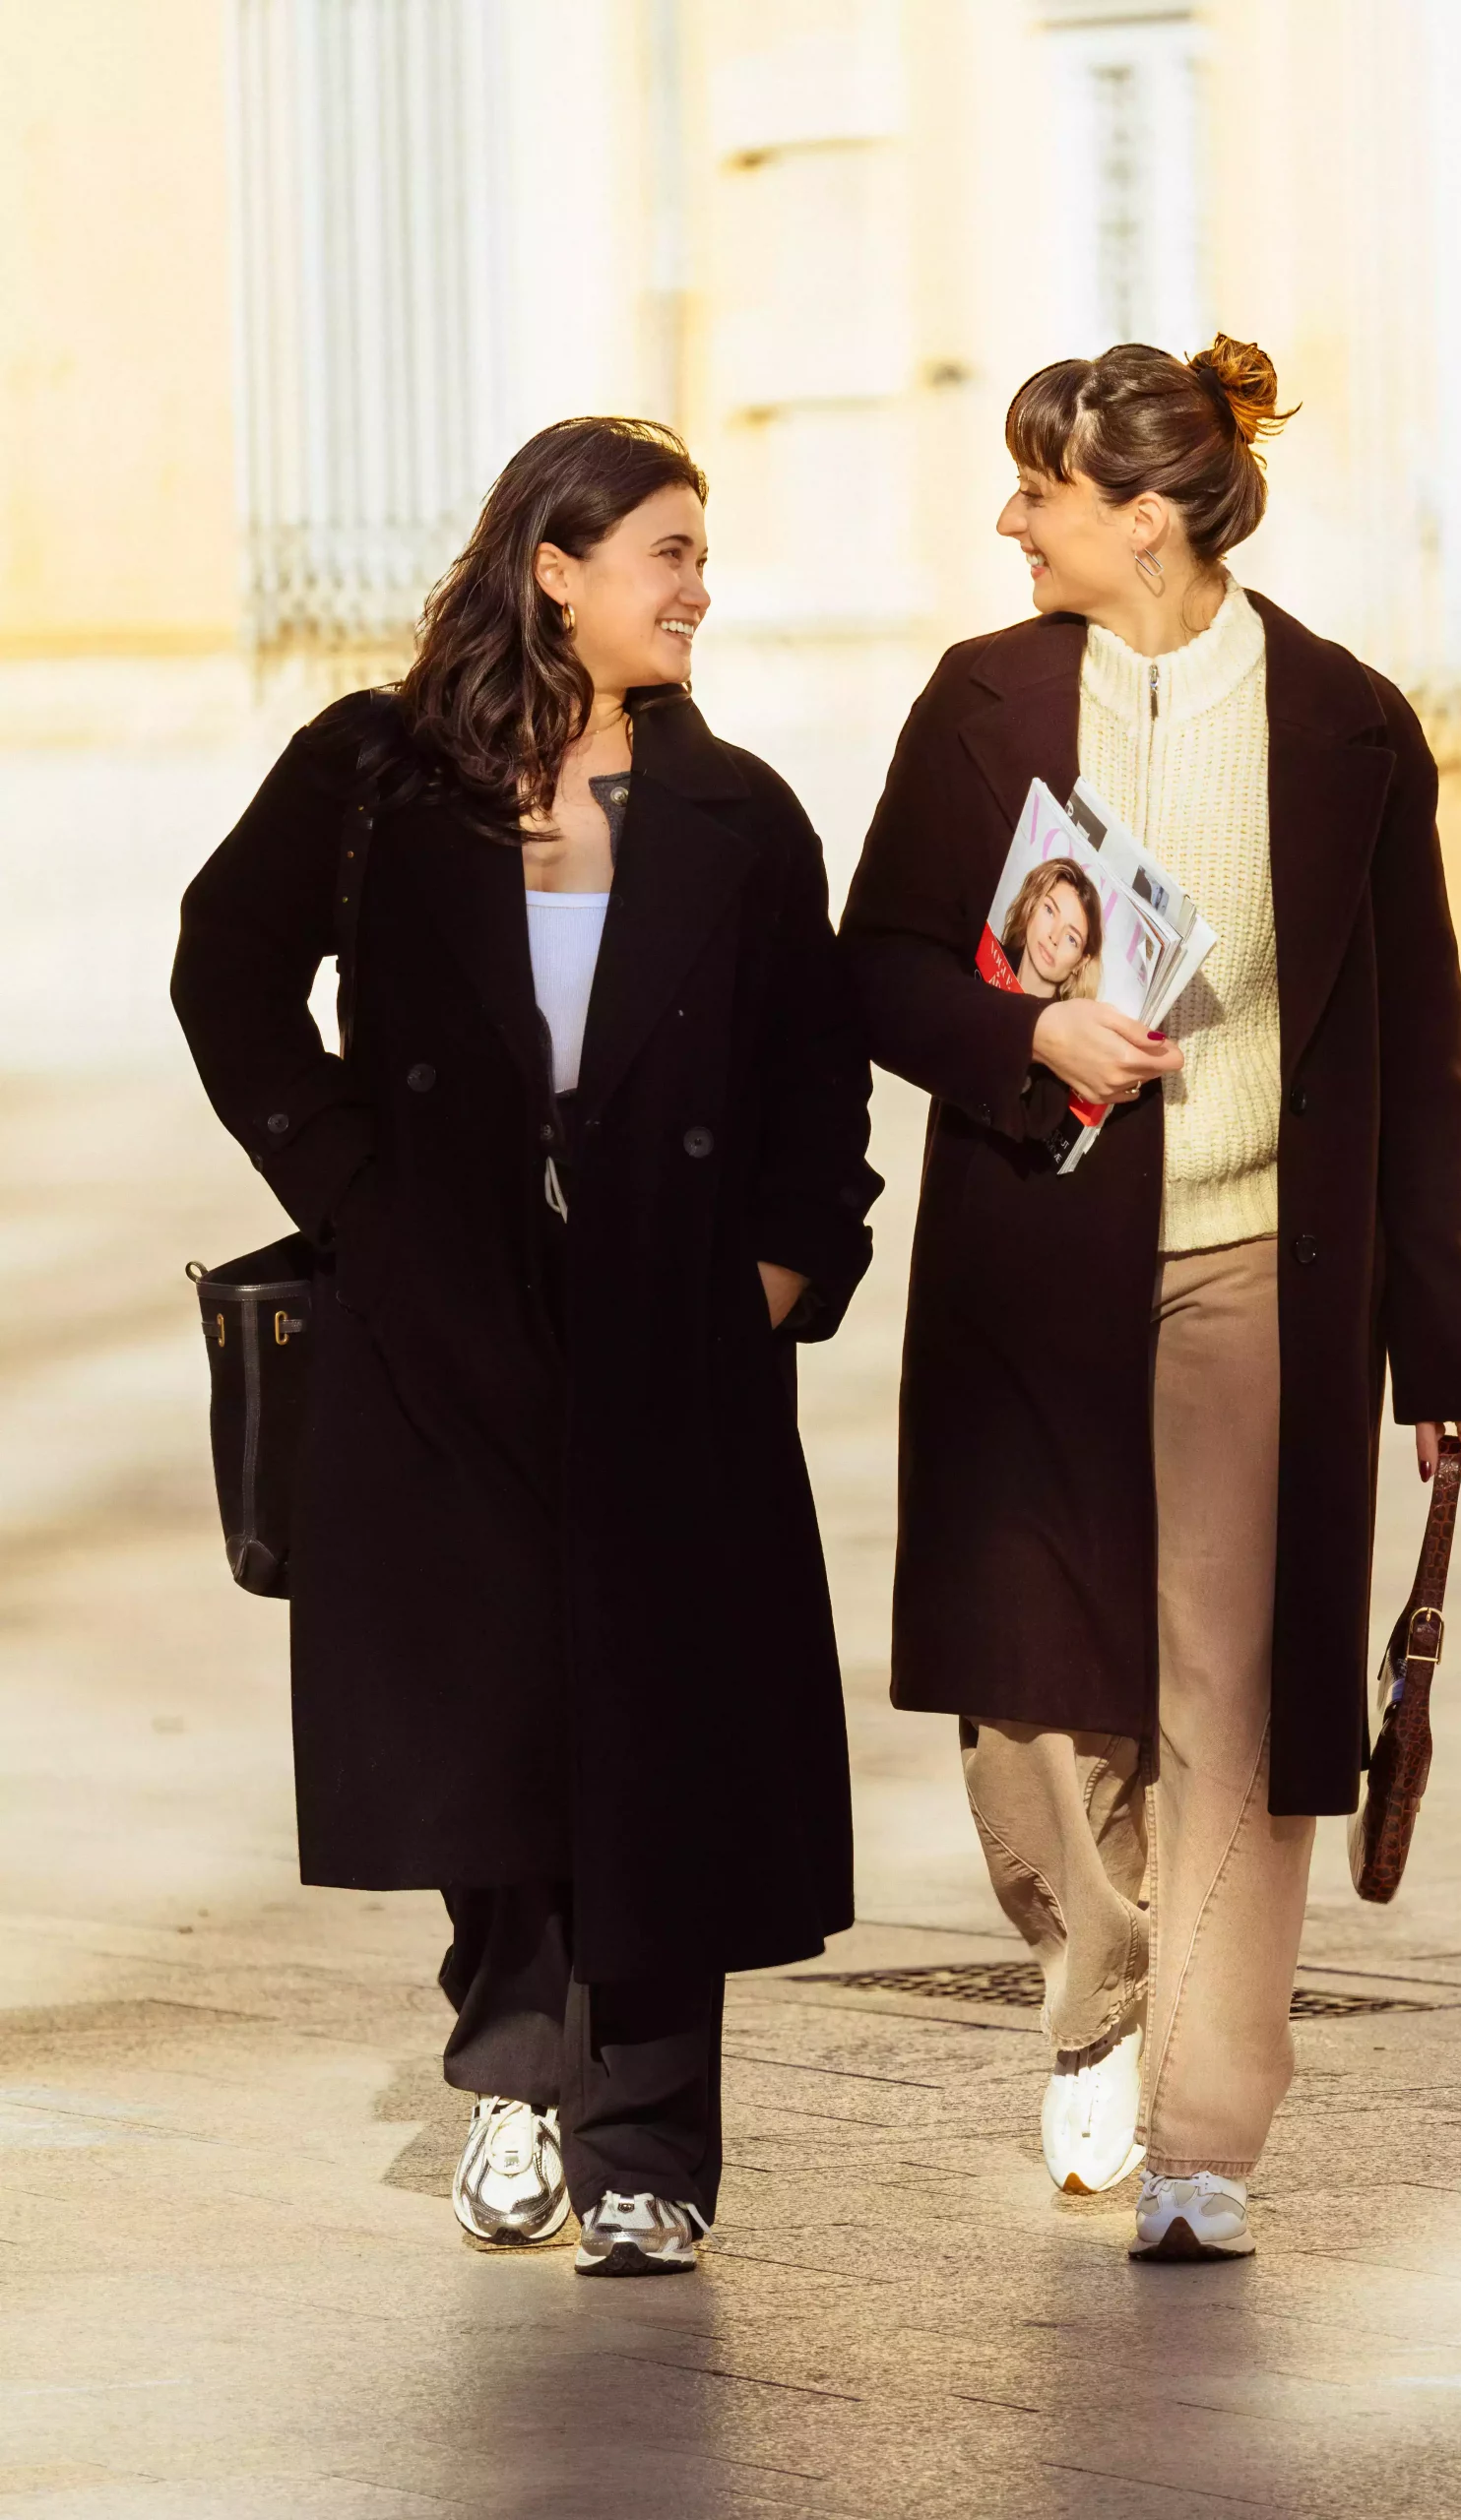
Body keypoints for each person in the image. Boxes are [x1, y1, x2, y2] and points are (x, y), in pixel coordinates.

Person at [173, 416, 880, 2274]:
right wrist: (355, 1190)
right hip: (445, 1317)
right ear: (554, 569)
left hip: (675, 1331)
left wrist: (782, 1273)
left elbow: (817, 1077)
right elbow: (223, 967)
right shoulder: (373, 769)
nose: (698, 587)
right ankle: (513, 2070)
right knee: (489, 1715)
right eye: (667, 551)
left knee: (666, 1734)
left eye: (700, 551)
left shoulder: (740, 816)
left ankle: (647, 2144)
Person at [840, 337, 1461, 2262]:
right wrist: (1025, 1031)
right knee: (1028, 1695)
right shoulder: (978, 700)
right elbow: (874, 966)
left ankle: (1203, 2137)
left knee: (1230, 1694)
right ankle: (1098, 1991)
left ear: (1143, 519)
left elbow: (1417, 1053)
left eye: (1035, 489)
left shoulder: (1349, 726)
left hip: (1255, 1277)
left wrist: (1444, 1341)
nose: (1005, 519)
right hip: (1026, 1261)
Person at [1000, 858, 1104, 1001]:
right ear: (1031, 905)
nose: (1054, 938)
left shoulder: (1066, 1018)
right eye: (1050, 911)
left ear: (1081, 963)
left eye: (1071, 939)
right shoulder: (976, 957)